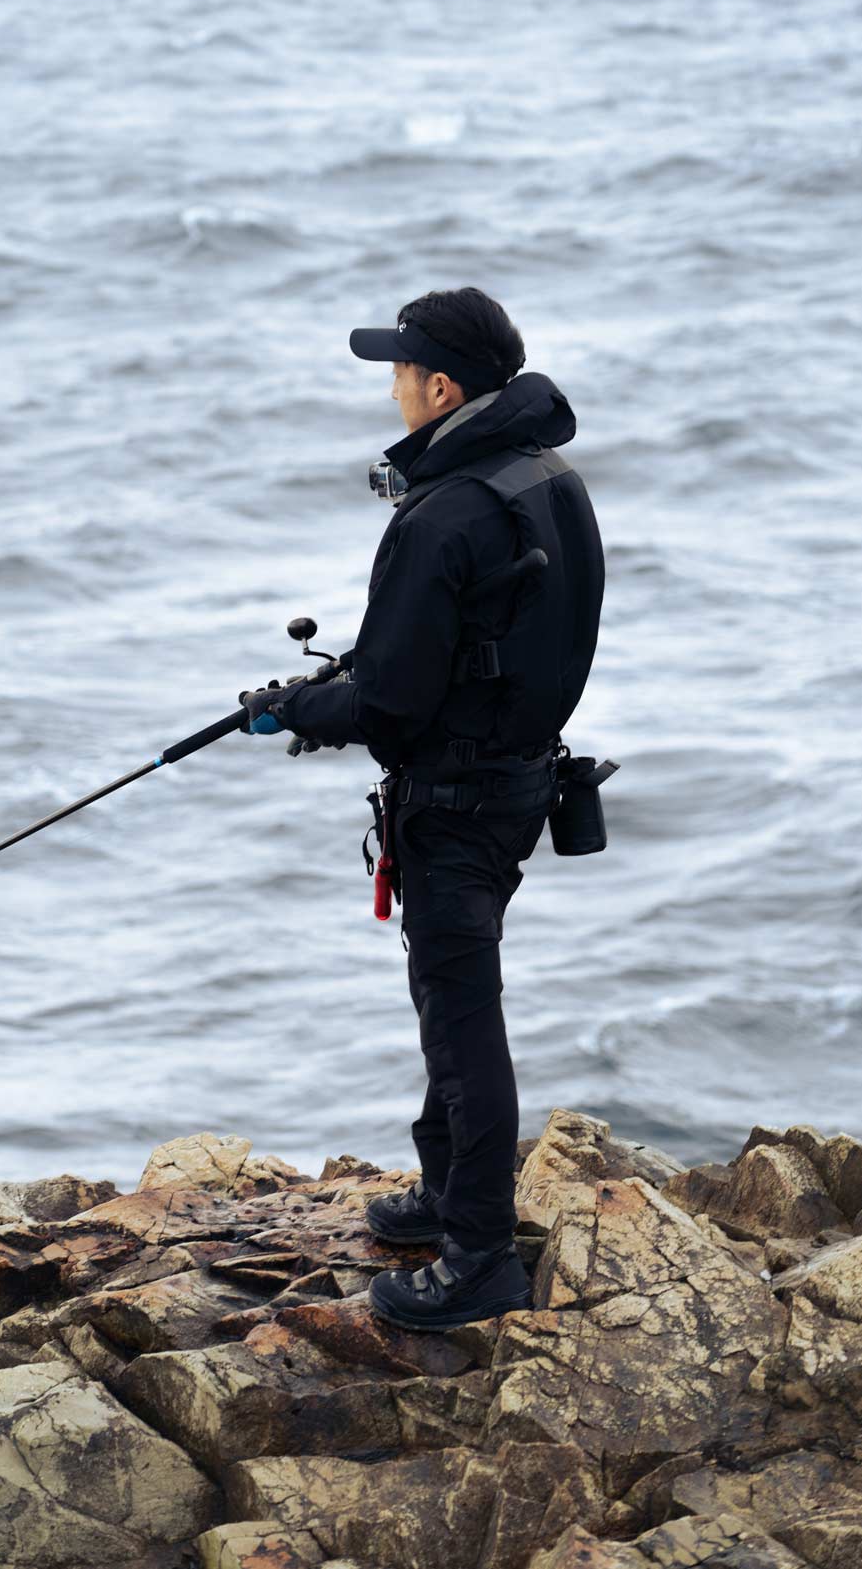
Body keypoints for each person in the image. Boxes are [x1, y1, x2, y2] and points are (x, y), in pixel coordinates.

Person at [241, 286, 605, 1331]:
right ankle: (446, 1195)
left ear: (439, 387)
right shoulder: (547, 478)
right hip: (518, 779)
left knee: (459, 1015)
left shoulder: (439, 512)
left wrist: (294, 706)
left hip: (454, 801)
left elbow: (391, 698)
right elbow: (500, 635)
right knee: (453, 1002)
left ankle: (477, 1256)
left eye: (400, 370)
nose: (393, 386)